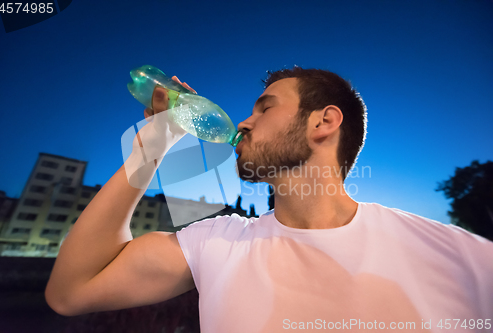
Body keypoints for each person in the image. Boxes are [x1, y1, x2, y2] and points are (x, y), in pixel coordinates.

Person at [45, 67, 493, 332]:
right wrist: (153, 145)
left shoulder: (466, 259)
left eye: (264, 107)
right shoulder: (215, 244)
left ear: (324, 122)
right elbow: (71, 292)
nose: (243, 122)